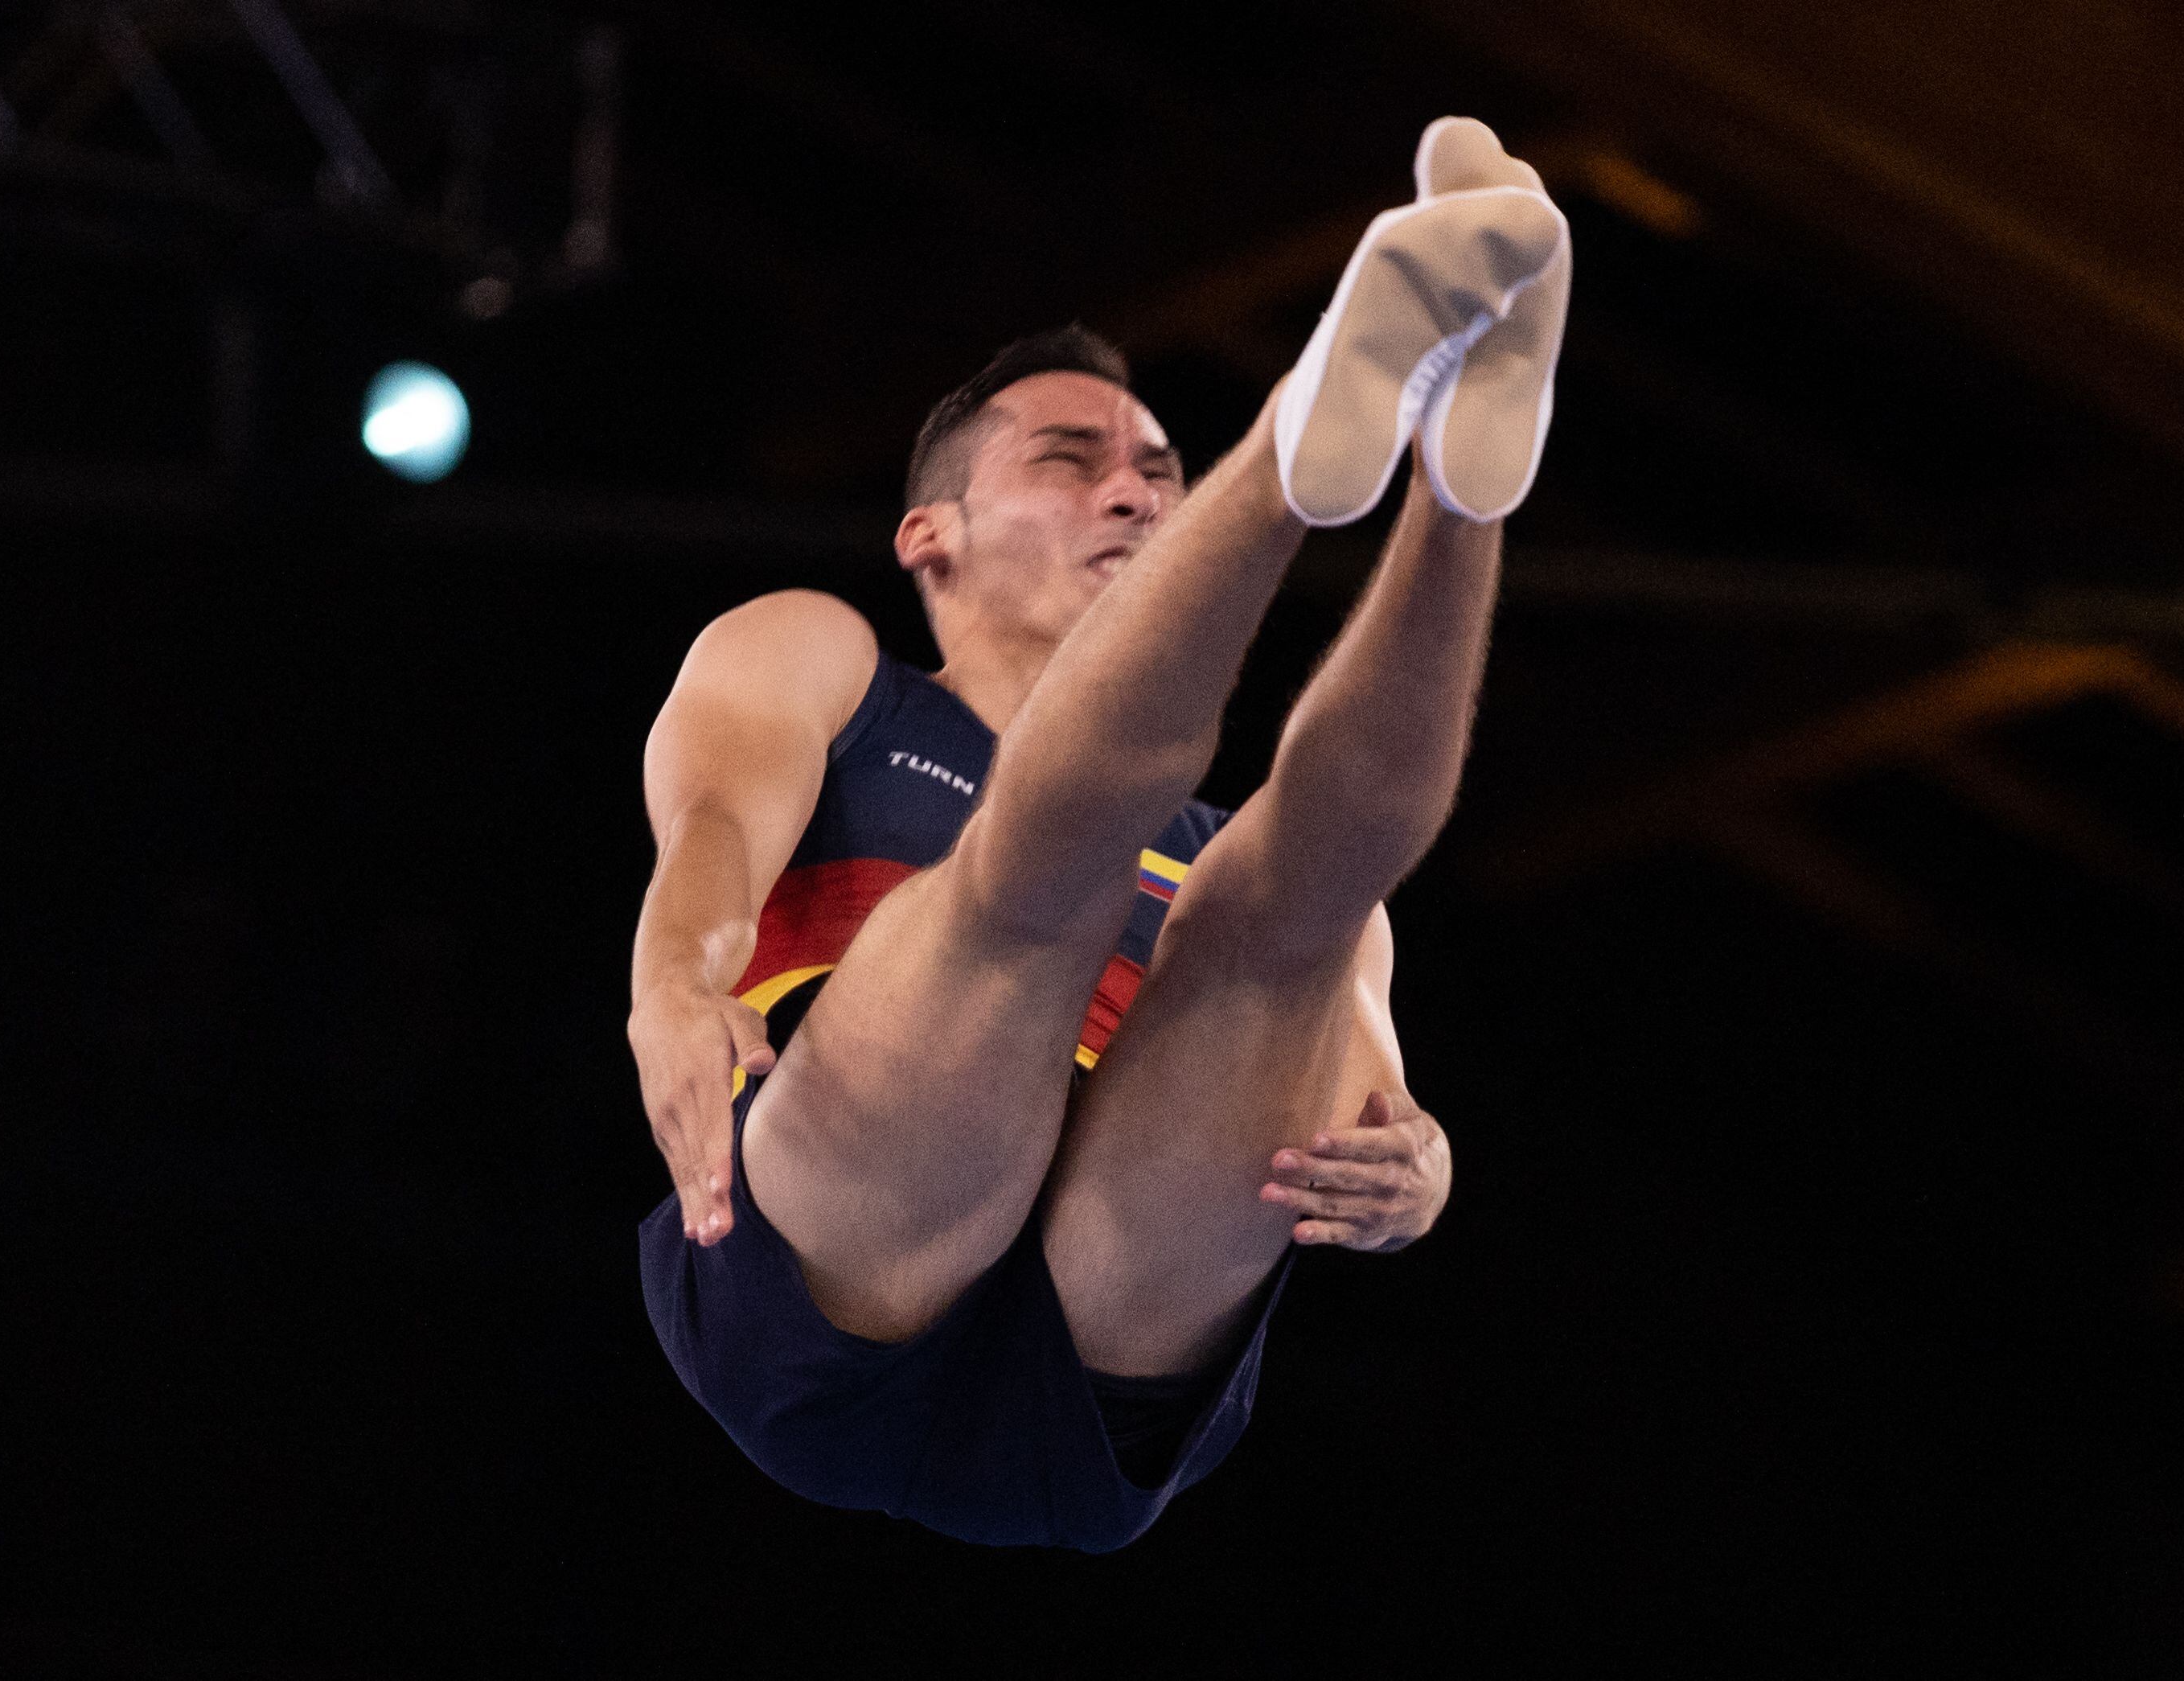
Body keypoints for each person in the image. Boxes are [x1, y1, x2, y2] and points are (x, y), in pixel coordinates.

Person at [630, 117, 1571, 1551]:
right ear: (928, 535)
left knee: (1295, 908)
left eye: (1155, 467)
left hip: (1114, 1320)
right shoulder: (821, 659)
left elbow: (1363, 1103)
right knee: (1032, 872)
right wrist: (673, 987)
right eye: (1068, 460)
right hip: (846, 1228)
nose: (1130, 489)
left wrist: (1415, 1170)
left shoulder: (1218, 850)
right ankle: (1300, 440)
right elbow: (709, 825)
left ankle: (1462, 476)